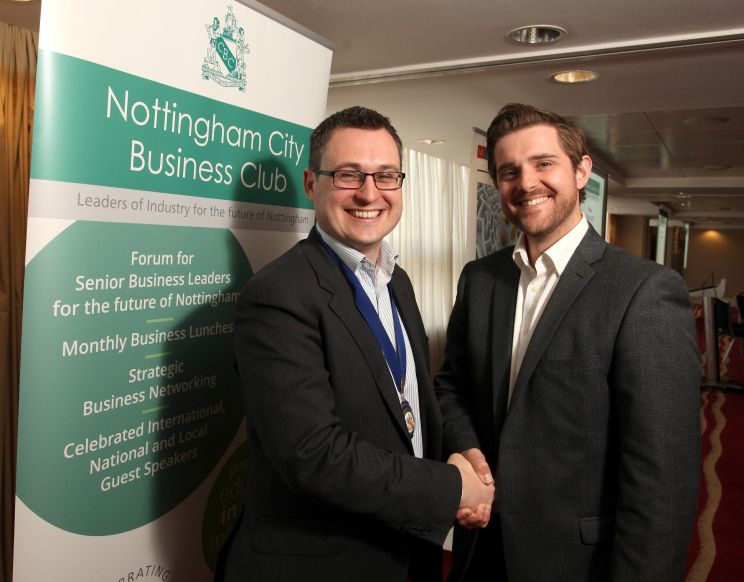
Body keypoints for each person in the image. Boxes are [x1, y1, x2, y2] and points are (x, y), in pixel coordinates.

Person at [216, 106, 494, 582]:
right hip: (321, 565)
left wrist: (460, 455)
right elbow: (313, 454)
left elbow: (408, 406)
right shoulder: (277, 295)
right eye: (348, 175)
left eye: (386, 175)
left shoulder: (397, 280)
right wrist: (451, 488)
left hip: (406, 552)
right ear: (311, 184)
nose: (369, 193)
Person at [436, 103, 701, 581]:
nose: (526, 183)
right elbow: (451, 388)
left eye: (543, 163)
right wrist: (467, 449)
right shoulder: (480, 279)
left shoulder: (644, 290)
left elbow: (663, 478)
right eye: (509, 171)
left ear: (581, 172)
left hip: (577, 563)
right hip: (481, 550)